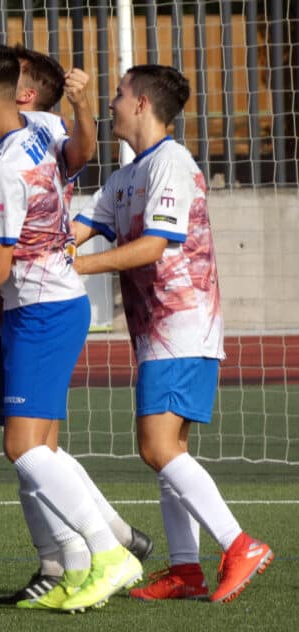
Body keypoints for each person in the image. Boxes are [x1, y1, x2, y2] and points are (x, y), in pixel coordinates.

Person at [0, 41, 143, 613]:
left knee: (22, 447)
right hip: (46, 305)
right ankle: (81, 563)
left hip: (40, 310)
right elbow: (77, 150)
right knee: (42, 449)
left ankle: (109, 553)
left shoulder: (6, 165)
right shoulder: (31, 130)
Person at [71, 64, 273, 603]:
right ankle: (186, 570)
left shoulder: (172, 164)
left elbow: (155, 246)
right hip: (156, 331)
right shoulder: (126, 176)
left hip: (183, 325)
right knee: (168, 451)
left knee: (158, 447)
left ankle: (238, 544)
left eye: (117, 94)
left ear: (141, 104)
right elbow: (79, 229)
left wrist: (77, 269)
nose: (111, 103)